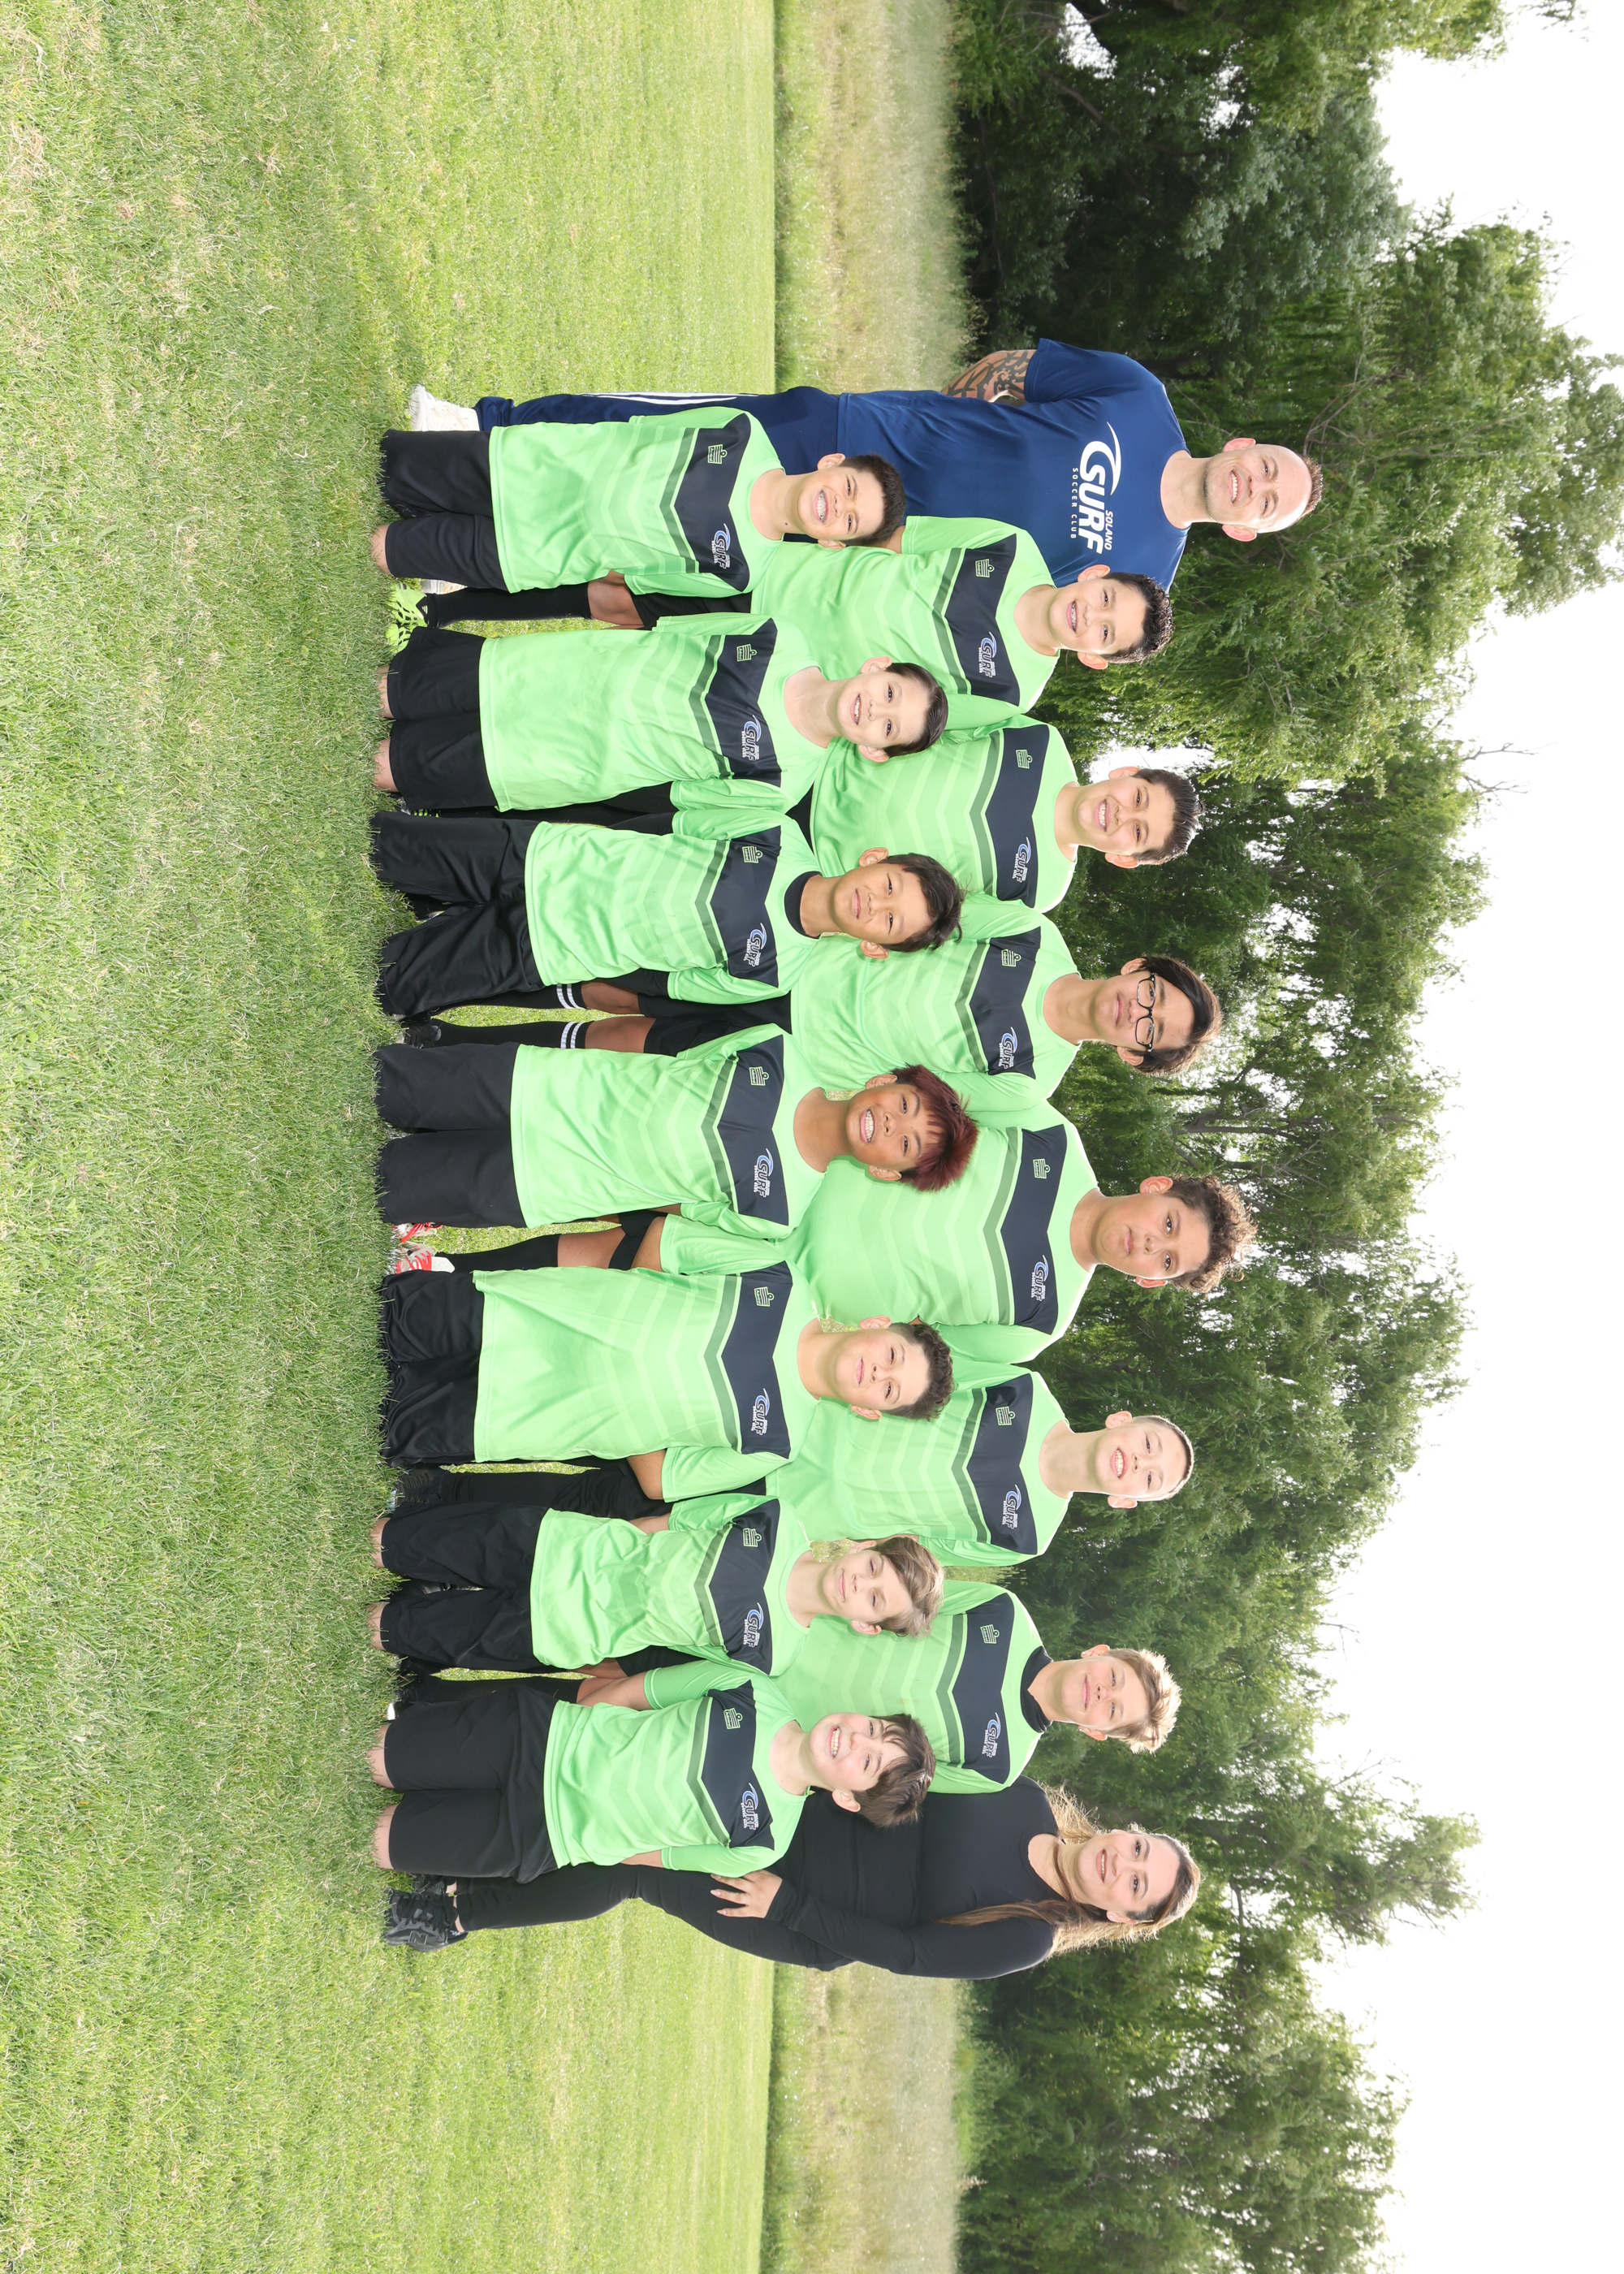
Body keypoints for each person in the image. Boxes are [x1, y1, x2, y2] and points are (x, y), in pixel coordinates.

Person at [422, 340, 1320, 590]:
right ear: (1244, 446)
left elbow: (1015, 601)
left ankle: (469, 558)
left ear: (1247, 530)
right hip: (849, 440)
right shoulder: (1137, 397)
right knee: (663, 433)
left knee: (667, 551)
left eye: (1269, 502)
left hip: (850, 548)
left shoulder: (1141, 580)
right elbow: (1013, 371)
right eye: (1269, 467)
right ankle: (480, 432)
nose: (1258, 485)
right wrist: (934, 423)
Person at [540, 1113, 1255, 1362]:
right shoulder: (1050, 1137)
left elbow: (921, 1362)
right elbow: (925, 1105)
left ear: (1153, 1280)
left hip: (771, 1293)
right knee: (584, 1172)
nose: (1149, 1245)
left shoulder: (1042, 1323)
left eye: (1167, 1260)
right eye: (1167, 1225)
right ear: (1157, 1187)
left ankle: (469, 1272)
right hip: (779, 1178)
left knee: (593, 1272)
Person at [383, 1779, 1200, 1978]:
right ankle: (451, 1856)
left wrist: (791, 1903)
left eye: (1137, 1887)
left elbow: (907, 1954)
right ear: (1125, 1832)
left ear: (1119, 1918)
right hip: (797, 1817)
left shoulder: (1026, 1937)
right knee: (633, 1817)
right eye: (1138, 1851)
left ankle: (452, 1916)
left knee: (636, 1874)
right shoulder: (1020, 1795)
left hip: (798, 1911)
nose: (1123, 1865)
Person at [379, 1239, 955, 1485]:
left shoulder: (779, 1444)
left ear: (870, 1412)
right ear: (877, 1325)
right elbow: (668, 1244)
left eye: (888, 1390)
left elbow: (661, 1481)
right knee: (386, 1319)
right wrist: (620, 1317)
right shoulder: (781, 1278)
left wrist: (619, 1408)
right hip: (533, 1314)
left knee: (385, 1426)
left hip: (531, 1415)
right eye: (892, 1355)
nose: (879, 1373)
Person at [369, 808, 963, 1025]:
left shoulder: (776, 973)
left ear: (874, 947)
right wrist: (592, 852)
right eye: (890, 886)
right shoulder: (775, 831)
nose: (876, 904)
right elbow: (667, 826)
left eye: (890, 922)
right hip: (545, 858)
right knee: (376, 844)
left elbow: (663, 983)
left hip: (548, 946)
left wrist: (592, 946)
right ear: (874, 859)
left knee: (387, 983)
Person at [369, 1666, 934, 1891]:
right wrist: (572, 1734)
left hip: (544, 1835)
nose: (855, 1740)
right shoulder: (754, 1690)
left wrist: (583, 1834)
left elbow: (654, 1856)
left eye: (868, 1763)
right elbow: (637, 1691)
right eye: (873, 1729)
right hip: (538, 1739)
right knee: (378, 1757)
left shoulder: (767, 1841)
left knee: (381, 1841)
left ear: (848, 1799)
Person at [372, 1027, 978, 1237]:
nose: (891, 1122)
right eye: (904, 1104)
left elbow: (672, 1211)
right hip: (538, 1085)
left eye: (904, 1143)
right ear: (883, 1081)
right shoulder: (778, 1050)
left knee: (384, 1187)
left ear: (885, 1171)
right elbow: (674, 1063)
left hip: (543, 1183)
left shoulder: (781, 1214)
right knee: (383, 1084)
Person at [619, 1584, 1178, 1792]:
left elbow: (886, 1783)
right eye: (1113, 1679)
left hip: (766, 1722)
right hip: (768, 1637)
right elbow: (898, 1599)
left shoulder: (1001, 1767)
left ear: (1097, 1733)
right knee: (621, 1647)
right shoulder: (1004, 1613)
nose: (1100, 1694)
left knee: (628, 1707)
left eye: (1113, 1711)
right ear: (1099, 1653)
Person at [375, 621, 949, 815]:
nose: (876, 709)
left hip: (559, 759)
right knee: (391, 693)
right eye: (890, 693)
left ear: (874, 750)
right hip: (556, 670)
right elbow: (672, 633)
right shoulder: (782, 636)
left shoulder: (784, 784)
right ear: (876, 666)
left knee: (387, 766)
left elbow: (681, 796)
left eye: (888, 727)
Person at [368, 1488, 944, 1674]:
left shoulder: (775, 1656)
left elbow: (668, 1653)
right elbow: (668, 1523)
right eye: (873, 1568)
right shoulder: (777, 1517)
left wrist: (585, 1662)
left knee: (388, 1629)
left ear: (867, 1626)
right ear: (863, 1547)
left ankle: (406, 1613)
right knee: (389, 1542)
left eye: (875, 1600)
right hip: (562, 1547)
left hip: (562, 1630)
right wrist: (601, 1544)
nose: (859, 1584)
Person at [370, 417, 905, 598]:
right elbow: (639, 430)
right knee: (383, 466)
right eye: (849, 486)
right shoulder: (744, 432)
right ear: (832, 461)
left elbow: (639, 578)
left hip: (531, 553)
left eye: (850, 521)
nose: (838, 505)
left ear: (832, 542)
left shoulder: (743, 574)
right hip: (529, 465)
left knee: (384, 550)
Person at [770, 1384, 1194, 1565]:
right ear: (1120, 1419)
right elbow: (918, 1378)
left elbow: (916, 1548)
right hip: (803, 1425)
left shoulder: (1030, 1538)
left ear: (1124, 1501)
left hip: (804, 1514)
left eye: (1150, 1480)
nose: (1140, 1463)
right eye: (1149, 1445)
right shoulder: (1025, 1390)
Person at [801, 736, 1203, 915]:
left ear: (1123, 859)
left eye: (1137, 832)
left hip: (818, 870)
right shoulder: (1042, 742)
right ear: (1126, 772)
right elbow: (933, 718)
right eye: (1138, 799)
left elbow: (932, 922)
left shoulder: (1043, 891)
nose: (1122, 814)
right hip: (815, 770)